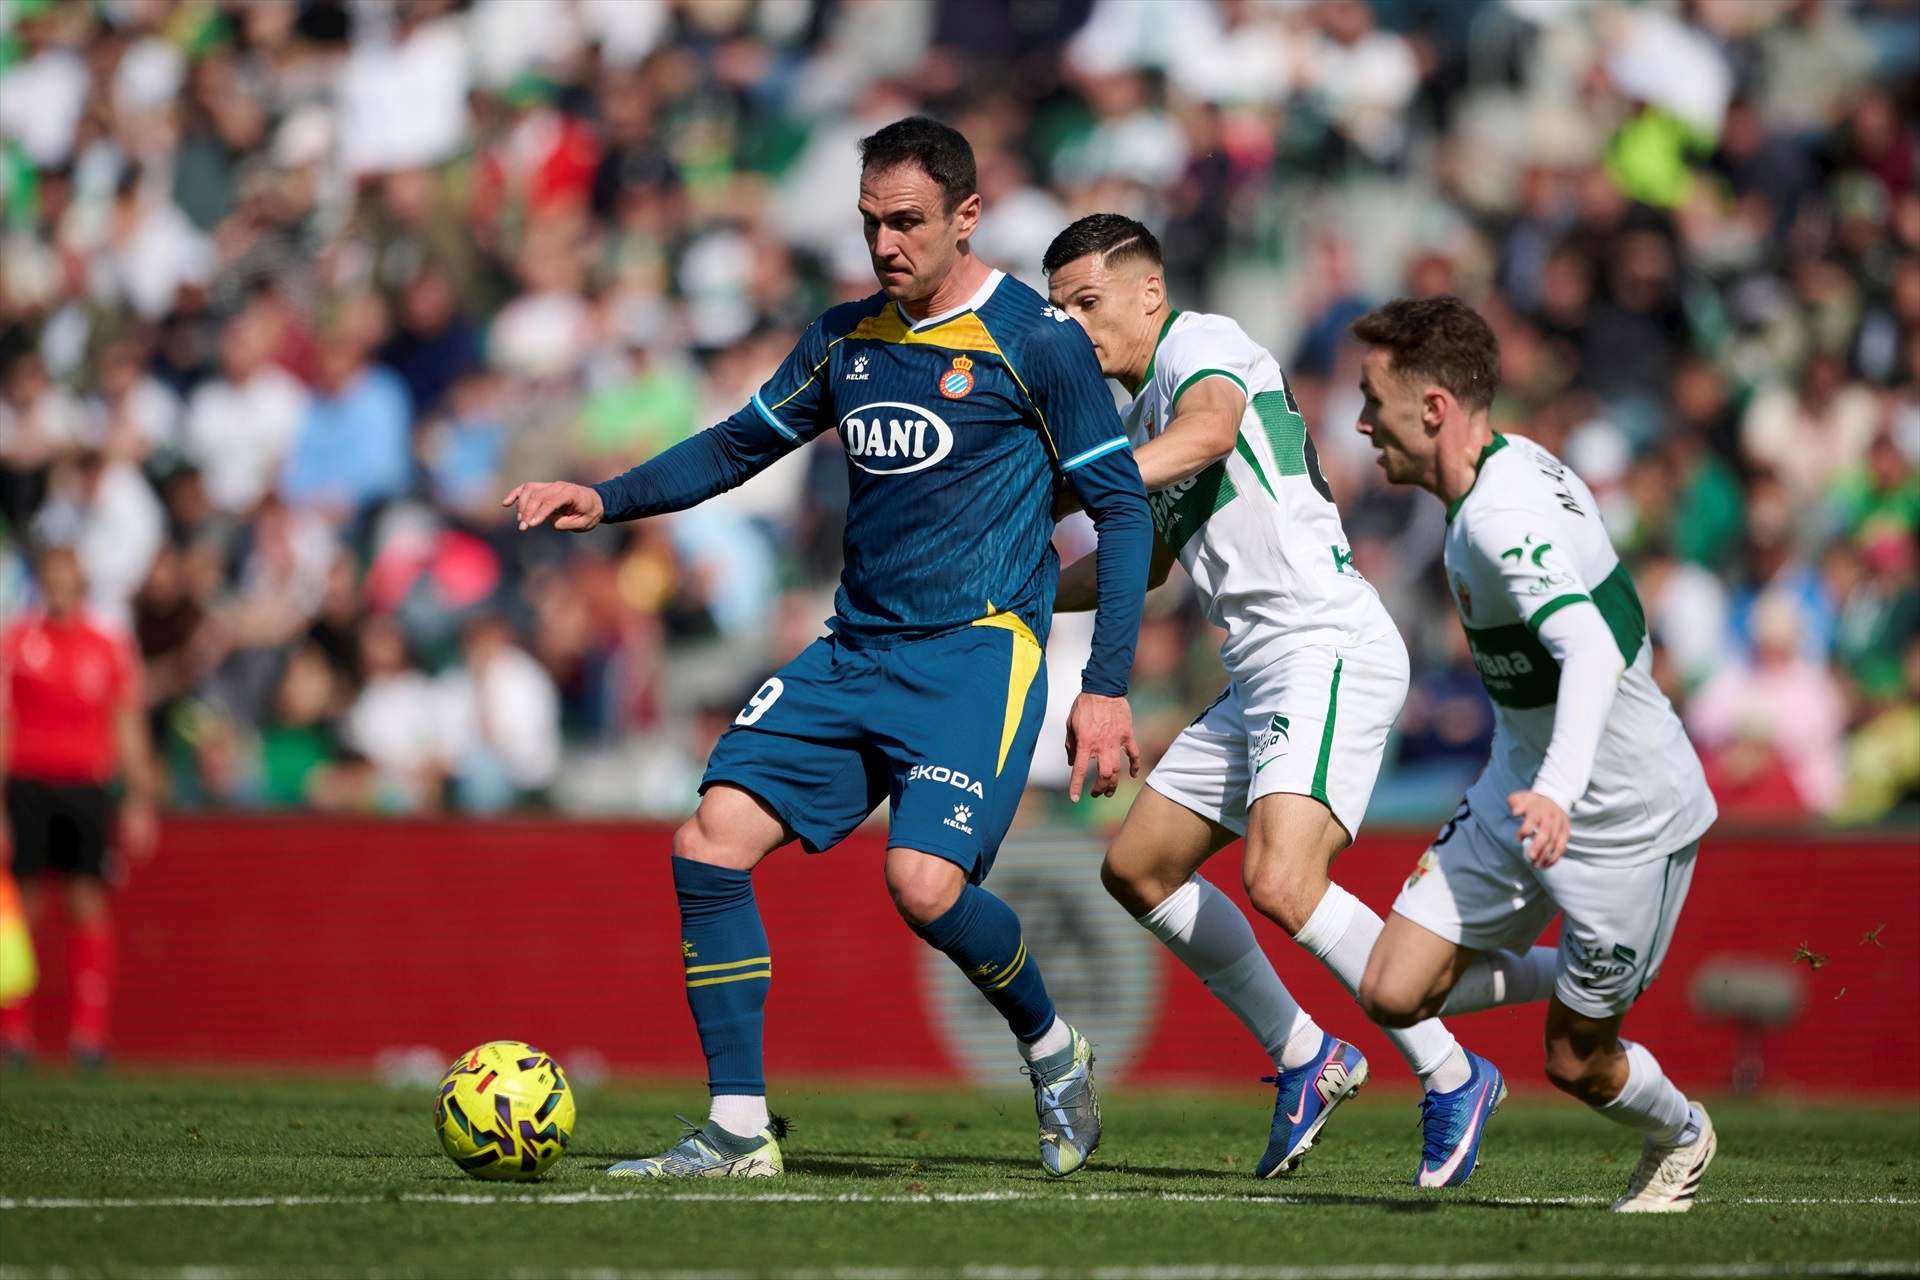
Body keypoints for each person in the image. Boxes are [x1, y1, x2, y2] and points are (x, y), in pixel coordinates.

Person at [503, 118, 1152, 1179]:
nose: (886, 244)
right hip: (855, 649)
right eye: (870, 223)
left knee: (924, 884)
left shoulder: (1037, 340)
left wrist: (1108, 686)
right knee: (707, 840)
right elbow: (737, 444)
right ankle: (738, 1126)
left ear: (966, 218)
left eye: (907, 223)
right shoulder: (846, 338)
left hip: (976, 654)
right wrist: (605, 496)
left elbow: (1122, 512)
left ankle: (1051, 1044)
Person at [1045, 214, 1528, 1185]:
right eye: (1058, 309)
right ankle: (1307, 1054)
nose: (1072, 326)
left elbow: (1214, 427)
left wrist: (1057, 485)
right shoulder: (1143, 420)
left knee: (1281, 878)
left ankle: (1451, 1070)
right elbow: (1145, 565)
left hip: (1323, 640)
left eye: (1086, 302)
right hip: (1261, 663)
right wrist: (1008, 583)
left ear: (1148, 291)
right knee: (1137, 867)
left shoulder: (1203, 346)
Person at [1349, 295, 1720, 1213]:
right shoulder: (1502, 473)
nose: (1360, 422)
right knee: (1393, 989)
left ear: (1433, 408)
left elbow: (1592, 651)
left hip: (1621, 813)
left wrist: (1559, 790)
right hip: (1524, 786)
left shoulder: (1500, 517)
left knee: (1575, 1061)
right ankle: (1615, 971)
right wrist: (1541, 783)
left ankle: (1682, 1132)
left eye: (1373, 401)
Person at [0, 544, 160, 1069]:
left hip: (86, 786)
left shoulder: (106, 646)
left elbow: (125, 723)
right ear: (42, 583)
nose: (60, 588)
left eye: (68, 578)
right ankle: (15, 1033)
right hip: (27, 782)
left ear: (81, 584)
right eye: (52, 578)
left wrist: (139, 795)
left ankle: (87, 1036)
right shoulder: (17, 643)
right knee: (22, 906)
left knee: (86, 900)